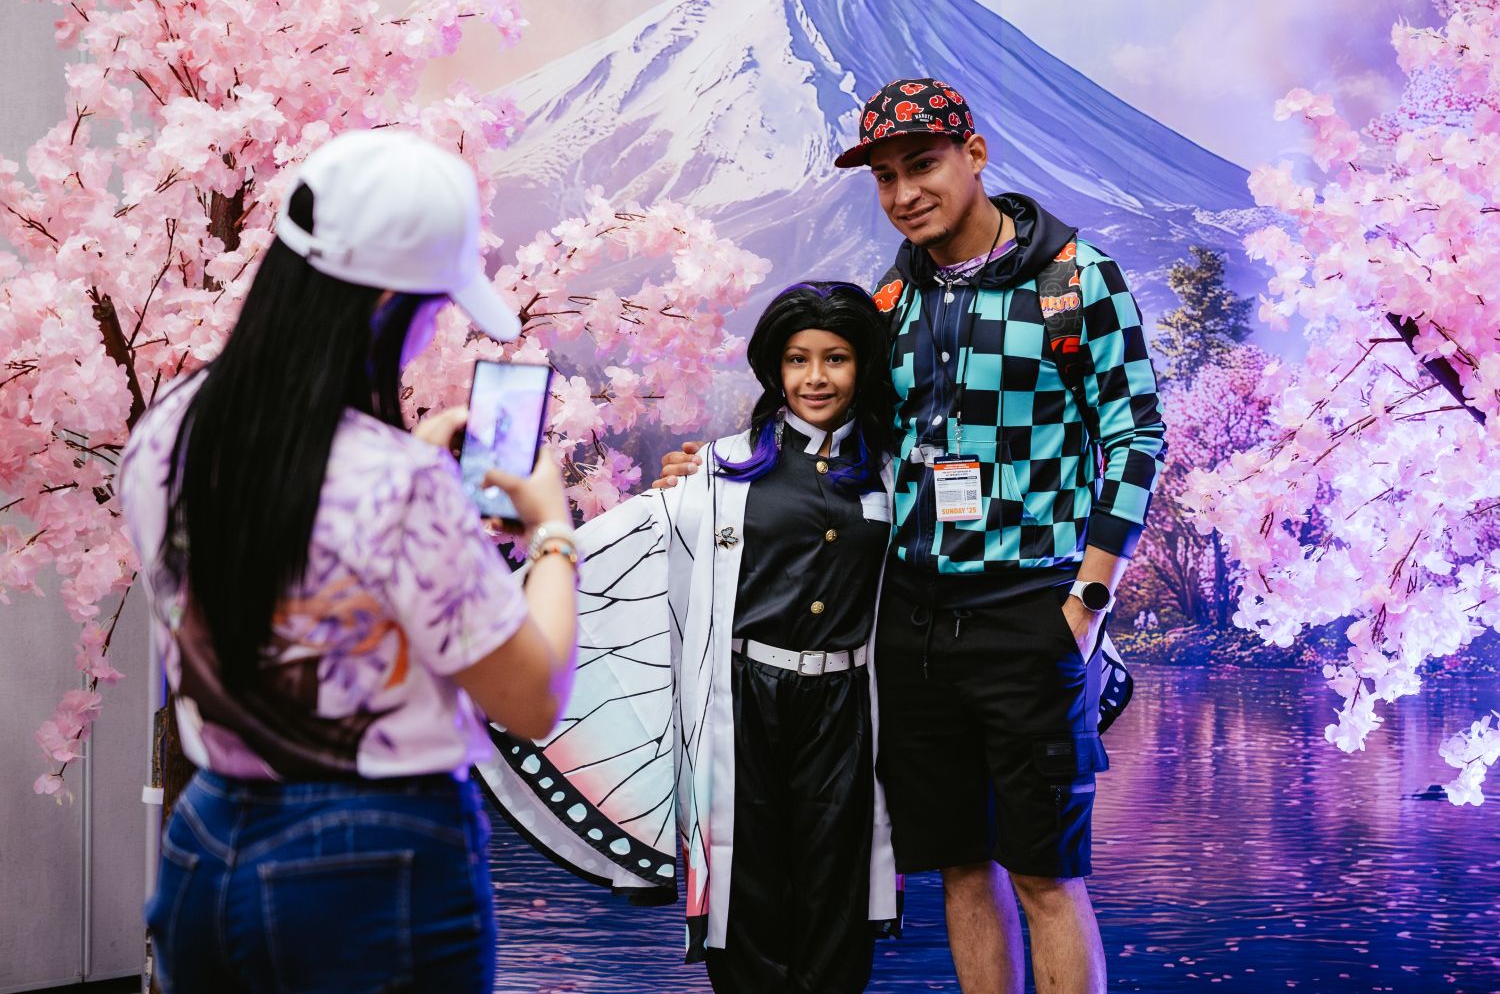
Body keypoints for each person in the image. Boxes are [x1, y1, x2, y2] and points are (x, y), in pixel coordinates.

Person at [657, 77, 1167, 994]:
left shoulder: (1078, 280)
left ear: (974, 153)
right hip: (914, 622)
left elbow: (1137, 436)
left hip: (1030, 610)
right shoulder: (892, 297)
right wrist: (721, 464)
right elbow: (834, 421)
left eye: (922, 166)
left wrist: (1089, 599)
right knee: (961, 867)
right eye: (886, 177)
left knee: (1047, 873)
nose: (904, 194)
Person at [119, 129, 580, 993]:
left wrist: (411, 461)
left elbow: (303, 515)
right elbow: (532, 697)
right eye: (436, 308)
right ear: (381, 307)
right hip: (377, 862)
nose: (433, 328)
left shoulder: (164, 433)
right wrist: (552, 530)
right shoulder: (399, 485)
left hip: (206, 840)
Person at [481, 282, 902, 993]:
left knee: (839, 882)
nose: (816, 378)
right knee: (749, 880)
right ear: (775, 369)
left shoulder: (896, 473)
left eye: (836, 358)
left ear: (864, 366)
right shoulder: (718, 470)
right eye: (798, 360)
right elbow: (613, 552)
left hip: (847, 706)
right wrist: (503, 591)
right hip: (744, 700)